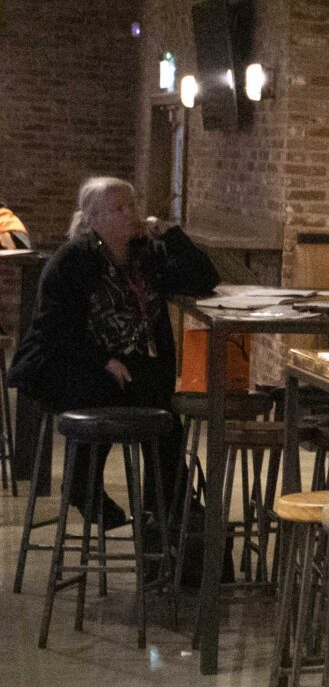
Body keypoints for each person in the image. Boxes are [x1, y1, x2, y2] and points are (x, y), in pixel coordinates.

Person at [6, 176, 219, 530]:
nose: (129, 214)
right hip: (68, 362)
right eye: (117, 208)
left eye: (131, 205)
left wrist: (171, 234)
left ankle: (168, 508)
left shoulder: (145, 256)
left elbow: (204, 278)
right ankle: (88, 486)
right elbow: (54, 329)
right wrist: (103, 360)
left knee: (162, 413)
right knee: (115, 392)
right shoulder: (73, 259)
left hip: (130, 364)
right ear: (92, 219)